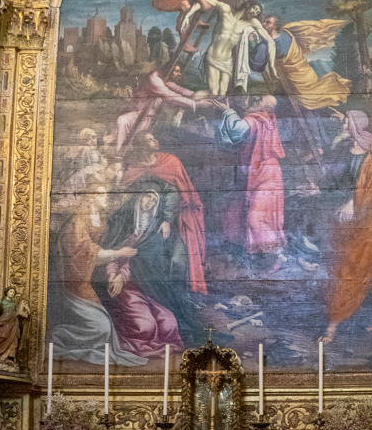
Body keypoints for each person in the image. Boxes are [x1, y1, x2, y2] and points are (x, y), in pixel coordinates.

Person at [46, 179, 146, 366]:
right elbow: (87, 251)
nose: (106, 197)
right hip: (74, 282)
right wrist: (118, 253)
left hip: (88, 279)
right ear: (91, 197)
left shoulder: (100, 218)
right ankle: (57, 338)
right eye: (101, 194)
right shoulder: (77, 221)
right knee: (102, 327)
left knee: (108, 323)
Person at [320, 109, 372, 344]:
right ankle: (345, 318)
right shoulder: (348, 149)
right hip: (344, 223)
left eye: (346, 124)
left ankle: (336, 323)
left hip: (368, 222)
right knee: (344, 267)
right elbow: (337, 180)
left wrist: (353, 202)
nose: (343, 127)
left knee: (359, 267)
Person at [99, 189, 184, 358]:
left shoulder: (154, 232)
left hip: (147, 288)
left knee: (170, 325)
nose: (149, 202)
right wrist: (113, 276)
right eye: (147, 196)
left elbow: (146, 262)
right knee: (146, 327)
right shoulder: (122, 225)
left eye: (154, 200)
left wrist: (122, 275)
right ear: (139, 196)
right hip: (126, 288)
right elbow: (111, 254)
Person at [122, 132, 207, 298]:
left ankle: (184, 296)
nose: (155, 140)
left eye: (154, 138)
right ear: (142, 146)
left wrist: (167, 219)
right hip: (148, 222)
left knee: (177, 259)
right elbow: (126, 194)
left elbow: (178, 192)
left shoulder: (170, 161)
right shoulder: (134, 169)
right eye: (150, 140)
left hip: (178, 219)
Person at [216, 96, 287, 267]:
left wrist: (227, 111)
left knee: (256, 218)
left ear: (265, 108)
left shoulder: (257, 119)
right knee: (234, 211)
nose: (255, 98)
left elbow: (236, 129)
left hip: (266, 174)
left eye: (259, 99)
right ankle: (243, 253)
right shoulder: (264, 119)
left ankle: (276, 255)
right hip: (255, 172)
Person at [252, 16, 350, 110]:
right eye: (263, 21)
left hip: (298, 80)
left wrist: (252, 46)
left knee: (309, 102)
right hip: (308, 73)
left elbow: (257, 66)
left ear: (275, 26)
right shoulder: (287, 33)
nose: (263, 24)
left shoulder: (266, 45)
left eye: (268, 22)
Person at [115, 64, 208, 150]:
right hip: (139, 112)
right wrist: (195, 103)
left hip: (146, 113)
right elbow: (170, 96)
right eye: (176, 71)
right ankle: (119, 151)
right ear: (169, 69)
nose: (179, 74)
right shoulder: (154, 79)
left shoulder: (164, 79)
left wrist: (200, 96)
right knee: (122, 120)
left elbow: (179, 90)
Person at [200, 0, 276, 96]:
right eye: (254, 9)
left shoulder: (251, 22)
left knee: (222, 94)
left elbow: (271, 42)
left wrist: (272, 66)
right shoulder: (227, 10)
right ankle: (188, 102)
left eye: (257, 12)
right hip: (213, 56)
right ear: (248, 5)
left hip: (227, 61)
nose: (255, 13)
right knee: (213, 93)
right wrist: (189, 14)